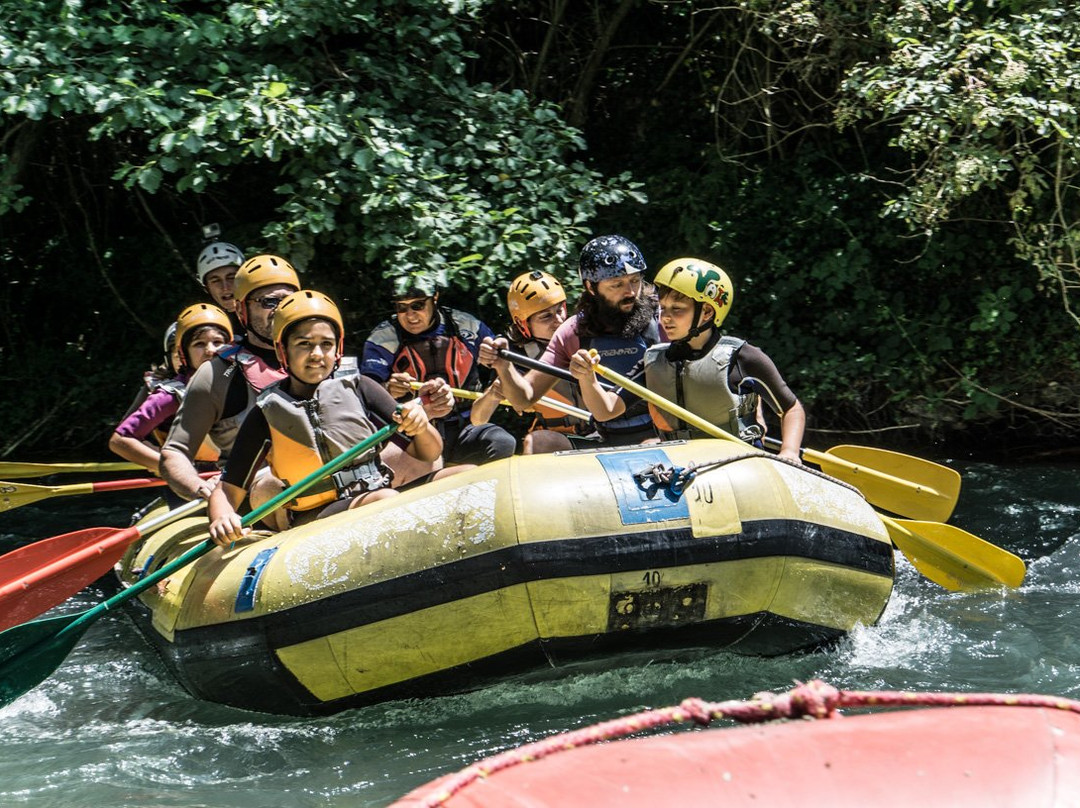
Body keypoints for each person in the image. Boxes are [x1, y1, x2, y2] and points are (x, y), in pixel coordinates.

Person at [207, 290, 443, 542]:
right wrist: (222, 516)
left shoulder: (361, 387)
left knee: (462, 474)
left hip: (375, 491)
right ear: (282, 349)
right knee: (384, 499)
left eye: (326, 344)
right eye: (304, 344)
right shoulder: (266, 413)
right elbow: (227, 488)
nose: (317, 354)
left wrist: (420, 426)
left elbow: (429, 453)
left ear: (337, 349)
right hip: (314, 514)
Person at [569, 258, 806, 462]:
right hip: (683, 466)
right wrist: (587, 378)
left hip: (738, 463)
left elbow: (791, 409)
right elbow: (605, 410)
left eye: (678, 309)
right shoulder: (655, 360)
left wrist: (789, 451)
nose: (666, 318)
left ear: (707, 312)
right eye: (663, 308)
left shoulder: (743, 358)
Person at [479, 234, 661, 446]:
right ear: (591, 287)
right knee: (538, 442)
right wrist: (504, 365)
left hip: (662, 434)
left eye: (635, 281)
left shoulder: (663, 318)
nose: (630, 292)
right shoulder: (573, 332)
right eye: (616, 284)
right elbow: (524, 397)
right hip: (606, 439)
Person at [160, 254, 300, 501]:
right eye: (269, 302)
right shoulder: (217, 374)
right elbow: (175, 452)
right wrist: (199, 487)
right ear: (241, 309)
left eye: (288, 300)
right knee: (271, 485)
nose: (280, 309)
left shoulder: (322, 356)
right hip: (259, 495)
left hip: (325, 477)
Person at [361, 277, 516, 466]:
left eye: (418, 305)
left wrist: (493, 354)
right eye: (402, 308)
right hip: (413, 431)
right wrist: (386, 388)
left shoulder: (466, 326)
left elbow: (500, 357)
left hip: (464, 426)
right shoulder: (383, 338)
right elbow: (365, 391)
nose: (410, 316)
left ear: (435, 298)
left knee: (502, 442)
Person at [469, 270, 591, 454]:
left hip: (601, 433)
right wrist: (494, 392)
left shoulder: (585, 337)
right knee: (536, 441)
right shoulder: (516, 358)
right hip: (560, 441)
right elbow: (477, 419)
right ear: (523, 324)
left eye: (560, 310)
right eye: (546, 316)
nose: (558, 320)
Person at [109, 304, 232, 473]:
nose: (210, 350)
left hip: (239, 473)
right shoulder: (170, 395)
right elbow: (120, 440)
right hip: (196, 478)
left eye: (217, 342)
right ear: (184, 354)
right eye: (199, 344)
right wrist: (175, 470)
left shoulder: (246, 380)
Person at [195, 239, 246, 336]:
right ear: (207, 288)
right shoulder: (208, 328)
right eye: (216, 281)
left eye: (231, 277)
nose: (225, 287)